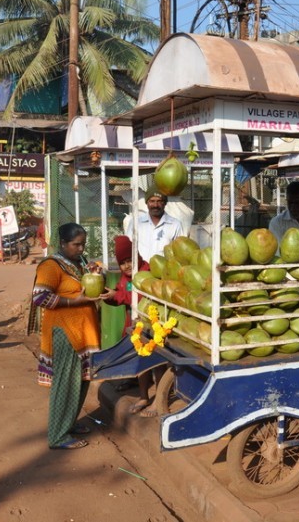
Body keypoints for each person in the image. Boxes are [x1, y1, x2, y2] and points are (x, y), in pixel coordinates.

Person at [28, 223, 109, 450]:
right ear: (62, 243)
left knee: (80, 381)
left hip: (83, 332)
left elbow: (86, 286)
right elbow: (40, 297)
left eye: (83, 244)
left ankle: (69, 424)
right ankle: (57, 436)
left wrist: (94, 273)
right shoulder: (51, 266)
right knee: (66, 383)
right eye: (76, 244)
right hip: (66, 333)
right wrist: (72, 302)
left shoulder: (78, 262)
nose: (81, 248)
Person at [102, 235, 161, 416]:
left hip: (153, 325)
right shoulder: (124, 278)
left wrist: (117, 296)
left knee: (157, 363)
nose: (127, 266)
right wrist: (110, 297)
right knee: (140, 363)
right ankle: (143, 397)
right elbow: (122, 296)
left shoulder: (146, 272)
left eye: (130, 260)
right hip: (135, 325)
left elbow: (141, 297)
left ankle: (158, 400)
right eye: (123, 263)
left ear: (137, 257)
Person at [125, 190, 184, 262]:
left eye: (159, 201)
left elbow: (179, 251)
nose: (155, 205)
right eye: (152, 201)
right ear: (147, 203)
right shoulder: (136, 222)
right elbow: (127, 247)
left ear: (165, 203)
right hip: (141, 269)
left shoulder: (175, 224)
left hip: (164, 270)